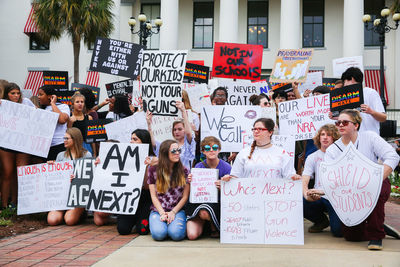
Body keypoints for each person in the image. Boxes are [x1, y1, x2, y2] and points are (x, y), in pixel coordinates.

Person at [324, 109, 399, 250]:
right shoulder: (332, 150)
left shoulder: (370, 137)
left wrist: (377, 179)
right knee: (351, 236)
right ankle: (378, 226)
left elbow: (393, 156)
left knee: (375, 192)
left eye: (345, 122)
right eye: (338, 122)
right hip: (349, 190)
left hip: (374, 182)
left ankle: (376, 236)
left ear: (356, 125)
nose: (340, 125)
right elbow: (330, 176)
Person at [223, 118, 301, 181]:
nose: (256, 131)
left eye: (260, 129)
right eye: (254, 129)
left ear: (270, 132)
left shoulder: (282, 153)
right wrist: (228, 179)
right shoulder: (243, 153)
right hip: (249, 198)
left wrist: (295, 177)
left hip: (275, 198)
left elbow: (289, 176)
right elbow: (235, 176)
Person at [186, 136, 231, 240]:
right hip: (201, 202)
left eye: (215, 147)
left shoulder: (227, 167)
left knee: (205, 212)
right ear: (203, 151)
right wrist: (191, 181)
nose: (211, 150)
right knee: (191, 235)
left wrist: (224, 186)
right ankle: (207, 224)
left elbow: (233, 190)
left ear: (219, 150)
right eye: (207, 148)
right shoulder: (198, 167)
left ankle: (213, 226)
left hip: (220, 203)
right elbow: (194, 190)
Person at [302, 124, 342, 236]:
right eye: (322, 134)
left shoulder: (341, 155)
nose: (325, 137)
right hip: (318, 196)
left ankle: (369, 223)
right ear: (318, 138)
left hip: (336, 198)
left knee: (338, 232)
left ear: (335, 138)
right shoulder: (312, 157)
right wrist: (306, 194)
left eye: (329, 135)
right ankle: (321, 221)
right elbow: (305, 178)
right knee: (301, 201)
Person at [47, 127, 92, 226]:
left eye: (67, 138)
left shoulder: (86, 155)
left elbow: (88, 177)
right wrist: (49, 168)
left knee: (69, 221)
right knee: (52, 220)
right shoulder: (60, 155)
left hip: (77, 196)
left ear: (75, 139)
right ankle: (66, 212)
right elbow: (56, 177)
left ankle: (80, 211)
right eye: (64, 138)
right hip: (62, 195)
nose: (64, 141)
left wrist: (76, 178)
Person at [147, 140, 190, 241]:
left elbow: (185, 197)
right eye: (174, 151)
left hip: (177, 210)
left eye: (178, 150)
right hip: (158, 210)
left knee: (176, 235)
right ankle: (162, 226)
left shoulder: (184, 170)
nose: (177, 153)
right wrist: (162, 213)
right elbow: (153, 196)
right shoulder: (153, 170)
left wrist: (173, 212)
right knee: (159, 234)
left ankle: (170, 226)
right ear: (165, 153)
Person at [0, 83, 34, 208]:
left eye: (18, 93)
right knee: (7, 172)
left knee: (21, 173)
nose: (16, 96)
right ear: (7, 94)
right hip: (6, 143)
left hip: (23, 143)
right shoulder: (2, 104)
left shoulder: (26, 103)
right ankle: (4, 206)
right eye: (12, 93)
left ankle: (16, 204)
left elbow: (36, 114)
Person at [117, 129, 156, 235]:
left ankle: (139, 219)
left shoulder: (153, 160)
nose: (131, 142)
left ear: (144, 142)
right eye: (131, 139)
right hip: (129, 197)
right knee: (123, 230)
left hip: (145, 197)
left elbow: (148, 187)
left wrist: (147, 166)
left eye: (135, 139)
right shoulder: (124, 157)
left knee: (142, 230)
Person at [340, 67, 386, 134]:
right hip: (351, 138)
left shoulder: (371, 93)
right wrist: (335, 116)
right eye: (345, 85)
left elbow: (383, 117)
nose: (346, 87)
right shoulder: (345, 95)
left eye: (346, 83)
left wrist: (371, 111)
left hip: (369, 137)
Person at [37, 85, 70, 160]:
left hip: (59, 144)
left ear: (50, 96)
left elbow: (62, 120)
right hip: (45, 147)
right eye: (38, 95)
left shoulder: (63, 106)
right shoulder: (41, 110)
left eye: (41, 94)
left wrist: (53, 103)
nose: (38, 97)